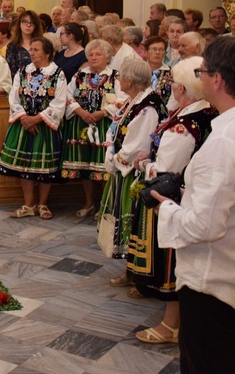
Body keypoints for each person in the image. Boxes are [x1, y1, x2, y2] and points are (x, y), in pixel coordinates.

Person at [152, 37, 235, 372]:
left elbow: (204, 226)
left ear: (216, 79)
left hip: (213, 284)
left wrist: (166, 208)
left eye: (202, 72)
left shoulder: (224, 142)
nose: (199, 79)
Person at [125, 56, 216, 345]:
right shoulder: (207, 112)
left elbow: (167, 169)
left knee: (172, 261)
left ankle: (172, 324)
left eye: (174, 84)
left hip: (175, 198)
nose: (171, 89)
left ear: (182, 89)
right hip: (193, 194)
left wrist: (144, 165)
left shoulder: (185, 124)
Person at [98, 59, 167, 263]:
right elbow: (118, 126)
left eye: (121, 76)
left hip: (134, 172)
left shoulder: (148, 106)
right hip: (124, 167)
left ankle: (134, 269)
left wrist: (113, 159)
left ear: (130, 79)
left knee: (132, 219)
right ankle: (130, 269)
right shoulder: (135, 100)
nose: (119, 80)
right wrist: (111, 145)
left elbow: (138, 144)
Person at [0, 37, 67, 220]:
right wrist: (24, 118)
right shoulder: (23, 71)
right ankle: (29, 205)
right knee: (24, 167)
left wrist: (36, 119)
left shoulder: (57, 73)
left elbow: (59, 102)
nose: (32, 52)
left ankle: (43, 204)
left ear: (47, 53)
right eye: (32, 49)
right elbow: (14, 97)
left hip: (44, 125)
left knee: (44, 167)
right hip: (24, 124)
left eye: (36, 49)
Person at [61, 40, 123, 218]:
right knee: (85, 165)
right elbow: (66, 94)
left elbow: (123, 98)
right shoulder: (80, 75)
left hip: (104, 125)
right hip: (81, 124)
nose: (94, 58)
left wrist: (102, 112)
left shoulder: (115, 76)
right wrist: (80, 111)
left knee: (104, 165)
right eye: (91, 55)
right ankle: (88, 203)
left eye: (98, 54)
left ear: (108, 57)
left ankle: (105, 205)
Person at [6, 10, 42, 77]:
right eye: (25, 22)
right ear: (20, 24)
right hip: (18, 83)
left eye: (32, 23)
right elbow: (11, 70)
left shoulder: (42, 44)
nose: (28, 25)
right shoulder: (12, 46)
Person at [145, 36, 174, 106]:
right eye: (154, 49)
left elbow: (174, 98)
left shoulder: (171, 73)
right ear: (146, 52)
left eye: (161, 50)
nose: (157, 52)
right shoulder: (138, 71)